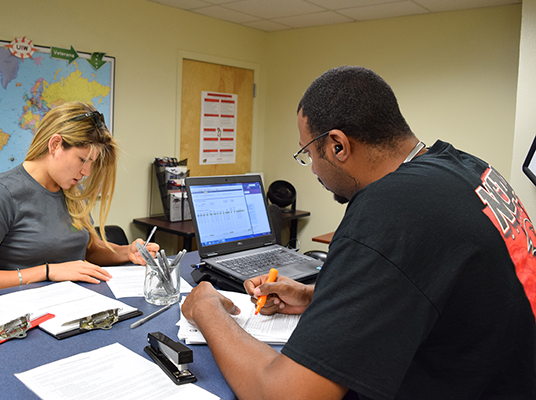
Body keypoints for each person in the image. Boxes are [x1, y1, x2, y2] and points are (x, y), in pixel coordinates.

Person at [181, 66, 536, 399]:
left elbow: (284, 393)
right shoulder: (462, 167)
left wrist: (207, 309)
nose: (313, 170)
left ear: (337, 145)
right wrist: (316, 296)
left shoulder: (392, 206)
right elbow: (443, 285)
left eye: (309, 154)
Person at [0, 101, 159, 293]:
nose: (87, 172)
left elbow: (88, 250)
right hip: (18, 316)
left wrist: (127, 252)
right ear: (55, 145)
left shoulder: (72, 192)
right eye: (82, 160)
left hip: (73, 304)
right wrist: (48, 272)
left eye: (92, 163)